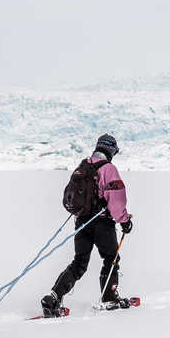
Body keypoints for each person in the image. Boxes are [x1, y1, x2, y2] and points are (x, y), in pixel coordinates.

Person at [42, 134, 134, 317]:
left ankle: (53, 297)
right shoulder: (108, 169)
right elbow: (116, 201)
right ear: (110, 150)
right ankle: (109, 297)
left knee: (79, 263)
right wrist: (125, 221)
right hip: (102, 223)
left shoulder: (83, 166)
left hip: (82, 222)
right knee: (111, 258)